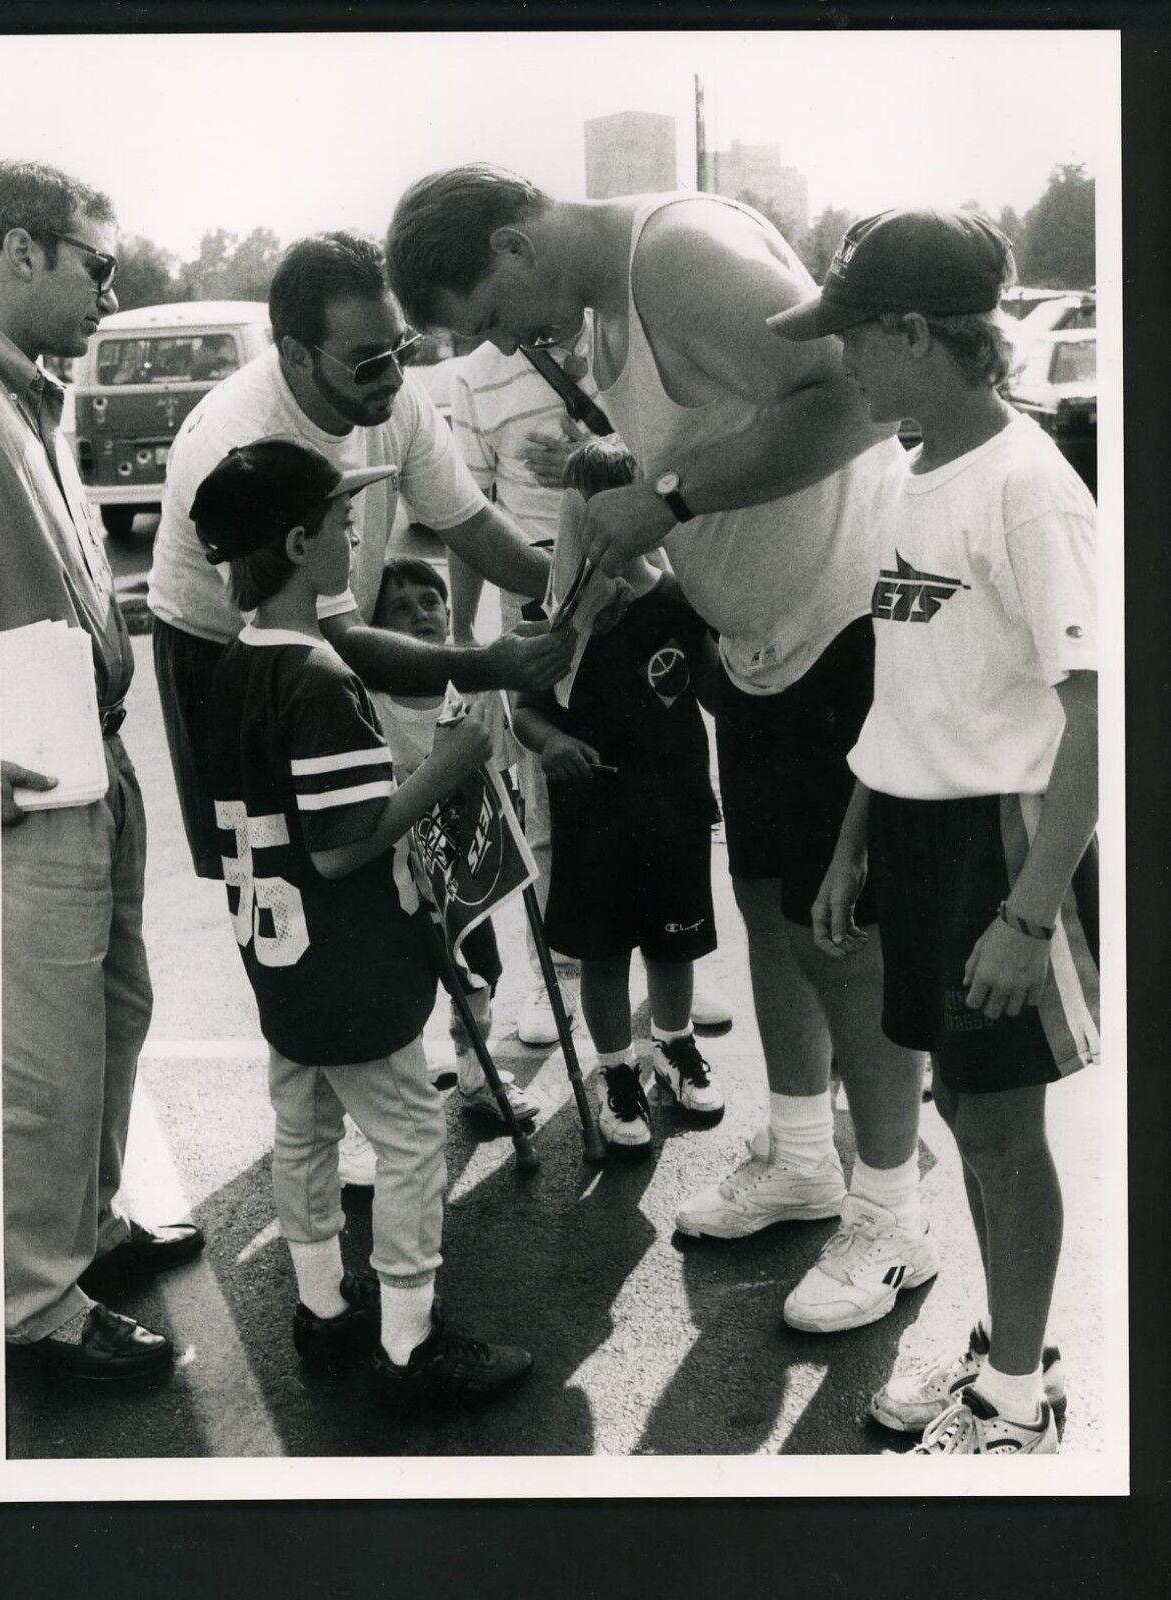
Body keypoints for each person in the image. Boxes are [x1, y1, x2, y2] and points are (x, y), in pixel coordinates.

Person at [387, 166, 930, 1333]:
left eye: (489, 315)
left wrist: (670, 498)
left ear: (515, 242)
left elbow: (851, 403)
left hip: (841, 629)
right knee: (772, 904)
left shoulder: (675, 255)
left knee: (845, 934)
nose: (503, 345)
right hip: (762, 647)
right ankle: (800, 1156)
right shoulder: (603, 303)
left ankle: (892, 1214)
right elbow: (732, 433)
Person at [147, 230, 573, 1186]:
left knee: (377, 864)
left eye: (402, 349)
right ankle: (323, 1091)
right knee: (282, 880)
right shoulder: (243, 433)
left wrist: (571, 579)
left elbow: (467, 520)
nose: (392, 374)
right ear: (293, 354)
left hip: (324, 629)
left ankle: (399, 1072)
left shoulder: (396, 400)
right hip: (225, 654)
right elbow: (336, 639)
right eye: (367, 359)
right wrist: (488, 659)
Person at [772, 207, 1097, 1454]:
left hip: (1003, 844)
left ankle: (1015, 1398)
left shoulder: (1026, 492)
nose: (840, 361)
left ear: (916, 331)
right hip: (912, 833)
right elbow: (902, 685)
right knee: (966, 1108)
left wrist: (1028, 915)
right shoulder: (912, 474)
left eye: (854, 336)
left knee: (1003, 1129)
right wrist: (855, 837)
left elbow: (1093, 719)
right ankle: (1007, 1344)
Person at [193, 438, 534, 1406]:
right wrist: (449, 763)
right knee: (411, 1136)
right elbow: (343, 845)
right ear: (302, 543)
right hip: (346, 957)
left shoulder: (234, 663)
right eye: (342, 522)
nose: (354, 534)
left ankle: (322, 1310)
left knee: (301, 1127)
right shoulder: (318, 676)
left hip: (277, 956)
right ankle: (409, 1340)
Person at [0, 159, 202, 1382]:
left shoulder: (32, 395)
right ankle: (31, 1307)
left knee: (113, 1016)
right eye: (96, 263)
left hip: (90, 756)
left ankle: (81, 1231)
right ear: (18, 251)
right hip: (24, 781)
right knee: (44, 1057)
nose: (108, 291)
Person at [447, 323, 732, 1045]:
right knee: (553, 823)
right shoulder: (474, 377)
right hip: (546, 588)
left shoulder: (632, 338)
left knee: (671, 896)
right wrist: (460, 627)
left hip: (653, 577)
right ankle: (566, 975)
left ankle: (675, 1003)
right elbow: (464, 512)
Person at [512, 440, 726, 1154]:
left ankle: (674, 1044)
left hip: (673, 806)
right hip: (593, 813)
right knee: (603, 952)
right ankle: (616, 1070)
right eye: (583, 509)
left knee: (674, 943)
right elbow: (527, 709)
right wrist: (550, 743)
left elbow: (715, 689)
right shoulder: (558, 613)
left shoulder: (680, 597)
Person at [367, 555, 537, 1122]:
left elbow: (505, 774)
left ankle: (475, 1069)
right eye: (398, 608)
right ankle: (399, 1095)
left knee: (480, 974)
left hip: (464, 872)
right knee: (402, 985)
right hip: (400, 882)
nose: (419, 614)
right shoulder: (372, 705)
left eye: (429, 602)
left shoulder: (475, 688)